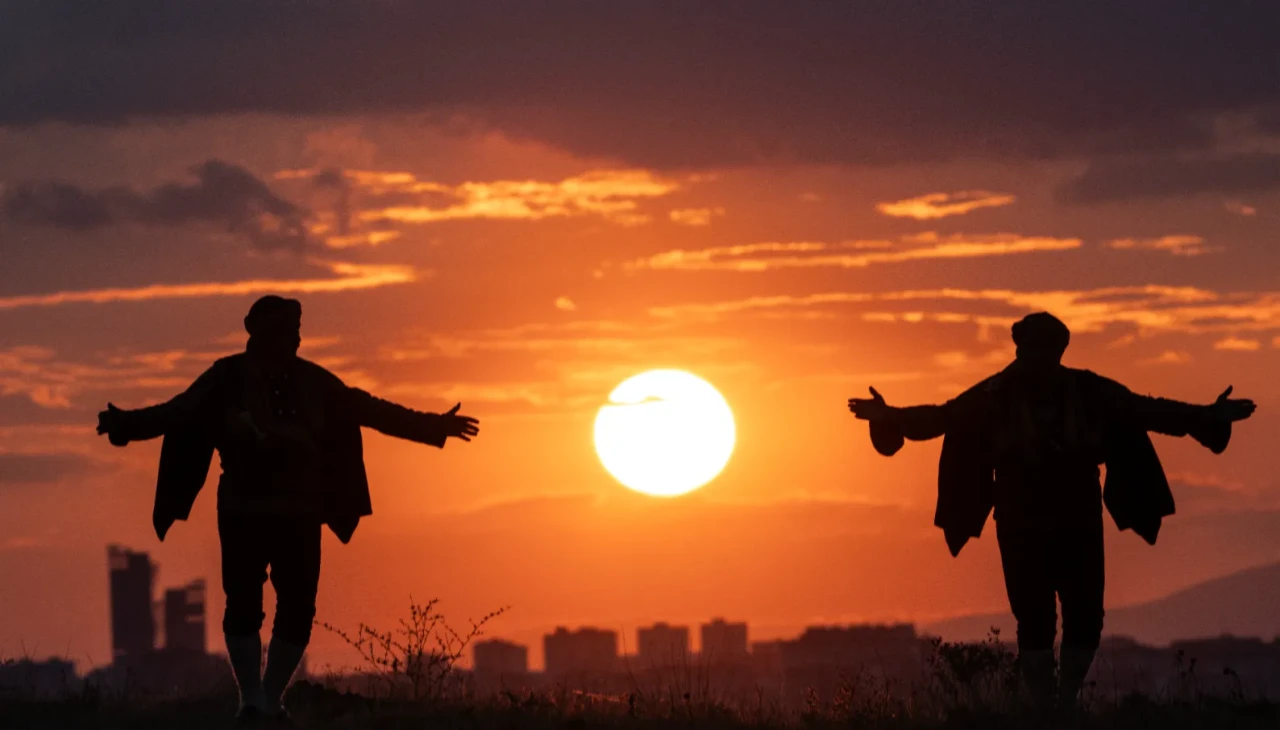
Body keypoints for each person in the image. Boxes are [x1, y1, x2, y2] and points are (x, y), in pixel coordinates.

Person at [96, 295, 480, 723]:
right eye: (290, 331)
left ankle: (268, 700)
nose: (297, 339)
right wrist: (125, 425)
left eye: (297, 331)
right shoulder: (226, 377)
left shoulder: (314, 381)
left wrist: (434, 426)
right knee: (242, 603)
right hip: (242, 511)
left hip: (299, 513)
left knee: (298, 607)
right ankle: (251, 700)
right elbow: (178, 412)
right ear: (265, 333)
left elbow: (368, 408)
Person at [847, 312, 1256, 706]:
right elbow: (942, 418)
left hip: (1076, 523)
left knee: (1084, 617)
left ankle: (1065, 700)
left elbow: (1147, 411)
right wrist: (890, 417)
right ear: (1021, 350)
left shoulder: (1085, 391)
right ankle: (1045, 707)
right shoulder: (996, 394)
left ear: (1058, 351)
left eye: (1045, 350)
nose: (1036, 359)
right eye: (1031, 350)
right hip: (1023, 524)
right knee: (1035, 619)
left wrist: (1208, 416)